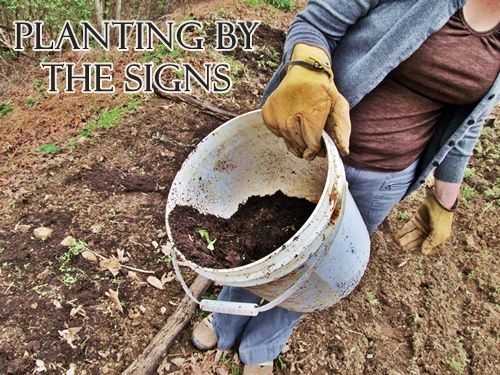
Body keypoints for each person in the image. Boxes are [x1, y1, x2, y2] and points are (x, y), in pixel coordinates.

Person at [192, 0, 500, 373]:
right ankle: (226, 319)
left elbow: (469, 123)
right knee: (265, 247)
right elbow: (315, 23)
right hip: (309, 149)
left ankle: (263, 344)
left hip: (385, 177)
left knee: (318, 268)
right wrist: (308, 68)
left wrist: (443, 200)